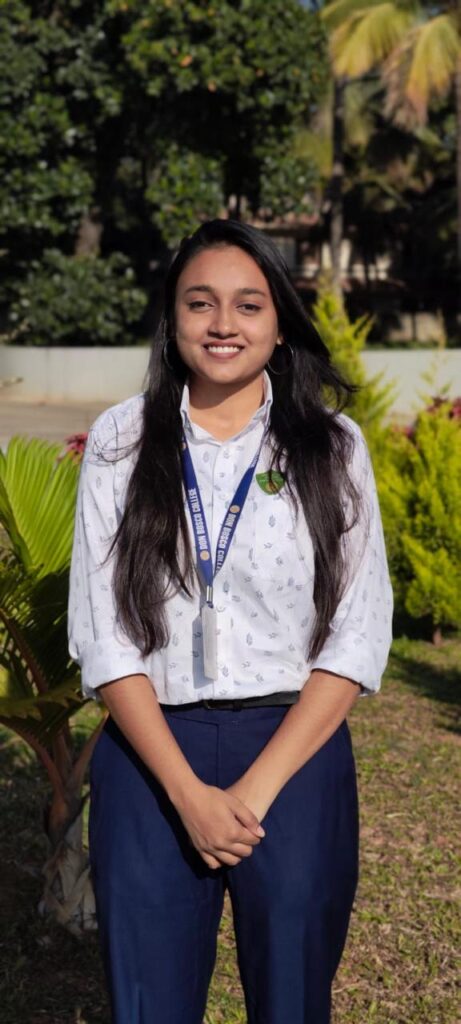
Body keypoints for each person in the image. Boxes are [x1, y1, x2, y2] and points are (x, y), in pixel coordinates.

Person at [67, 218, 393, 1024]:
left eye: (248, 305)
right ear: (172, 318)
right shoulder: (121, 439)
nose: (223, 324)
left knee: (291, 999)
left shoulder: (330, 446)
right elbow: (103, 633)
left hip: (292, 752)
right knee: (148, 1004)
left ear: (279, 322)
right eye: (199, 303)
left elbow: (355, 631)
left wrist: (253, 789)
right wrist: (186, 794)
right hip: (151, 752)